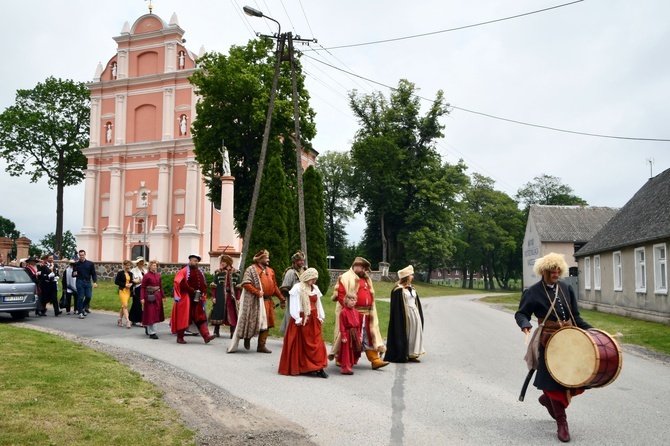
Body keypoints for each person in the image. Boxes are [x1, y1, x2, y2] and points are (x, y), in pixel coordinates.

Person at [515, 252, 593, 443]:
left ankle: (547, 400)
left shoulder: (566, 288)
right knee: (553, 383)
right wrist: (525, 324)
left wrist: (593, 331)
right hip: (547, 341)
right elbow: (521, 313)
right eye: (552, 270)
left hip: (568, 340)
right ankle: (562, 423)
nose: (556, 273)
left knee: (570, 379)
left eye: (558, 269)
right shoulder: (532, 292)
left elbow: (575, 316)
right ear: (544, 271)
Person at [329, 257, 388, 370]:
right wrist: (350, 311)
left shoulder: (366, 279)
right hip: (353, 314)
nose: (364, 271)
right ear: (356, 266)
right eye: (363, 268)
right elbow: (341, 295)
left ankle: (375, 360)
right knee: (352, 337)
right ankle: (343, 359)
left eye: (365, 269)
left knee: (369, 336)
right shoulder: (345, 277)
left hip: (367, 315)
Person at [227, 250, 285, 354]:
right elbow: (246, 283)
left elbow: (275, 286)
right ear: (260, 259)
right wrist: (257, 292)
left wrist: (281, 298)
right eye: (266, 258)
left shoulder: (270, 270)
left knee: (267, 323)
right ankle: (247, 338)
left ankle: (261, 346)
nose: (268, 259)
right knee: (252, 322)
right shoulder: (251, 269)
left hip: (268, 301)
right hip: (255, 301)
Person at [278, 268, 328, 378]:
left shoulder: (315, 288)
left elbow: (318, 303)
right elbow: (294, 303)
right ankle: (303, 367)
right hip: (301, 318)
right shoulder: (298, 288)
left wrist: (320, 316)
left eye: (315, 279)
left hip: (313, 319)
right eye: (313, 279)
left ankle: (319, 367)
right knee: (300, 345)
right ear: (308, 277)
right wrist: (297, 317)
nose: (314, 281)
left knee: (317, 343)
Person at [171, 254, 215, 344]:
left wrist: (203, 292)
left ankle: (206, 336)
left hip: (197, 299)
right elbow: (180, 283)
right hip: (186, 298)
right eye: (194, 260)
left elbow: (203, 283)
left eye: (197, 261)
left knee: (200, 317)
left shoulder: (200, 272)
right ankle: (180, 337)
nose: (196, 262)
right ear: (190, 261)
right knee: (184, 317)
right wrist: (191, 290)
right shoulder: (184, 271)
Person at [384, 265, 425, 363]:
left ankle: (412, 354)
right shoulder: (398, 290)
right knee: (406, 333)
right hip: (404, 315)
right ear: (406, 276)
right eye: (411, 275)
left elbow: (416, 302)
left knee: (414, 333)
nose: (412, 276)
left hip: (414, 313)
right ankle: (403, 353)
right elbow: (397, 307)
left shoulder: (412, 288)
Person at [209, 254, 240, 338]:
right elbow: (214, 286)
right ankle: (216, 331)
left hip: (231, 296)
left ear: (228, 262)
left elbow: (238, 287)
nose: (222, 263)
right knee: (218, 311)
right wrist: (213, 296)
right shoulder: (218, 272)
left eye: (223, 262)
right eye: (221, 262)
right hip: (220, 295)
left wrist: (238, 298)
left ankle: (232, 332)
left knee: (232, 312)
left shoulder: (236, 273)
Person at [279, 250, 306, 334]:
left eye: (303, 260)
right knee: (291, 315)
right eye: (300, 260)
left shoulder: (304, 271)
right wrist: (283, 300)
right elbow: (284, 289)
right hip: (293, 298)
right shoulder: (290, 272)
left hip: (303, 298)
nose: (302, 262)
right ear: (295, 261)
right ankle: (289, 334)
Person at [141, 260, 166, 340]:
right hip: (149, 296)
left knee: (156, 313)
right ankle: (152, 332)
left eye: (156, 266)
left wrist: (163, 296)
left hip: (157, 297)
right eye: (153, 265)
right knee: (151, 314)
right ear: (150, 266)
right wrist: (141, 298)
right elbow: (143, 287)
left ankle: (149, 329)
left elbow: (161, 286)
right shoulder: (146, 276)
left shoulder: (158, 275)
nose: (155, 267)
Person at [337, 294, 361, 375]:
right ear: (346, 300)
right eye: (351, 300)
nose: (353, 302)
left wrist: (359, 335)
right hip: (347, 333)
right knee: (346, 351)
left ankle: (351, 364)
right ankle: (345, 367)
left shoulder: (356, 311)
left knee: (354, 349)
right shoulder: (343, 312)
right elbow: (342, 325)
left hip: (355, 333)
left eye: (354, 300)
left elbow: (358, 325)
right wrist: (343, 336)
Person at [73, 249, 97, 319]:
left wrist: (95, 282)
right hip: (79, 281)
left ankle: (82, 308)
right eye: (80, 255)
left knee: (88, 296)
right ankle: (80, 312)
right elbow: (73, 274)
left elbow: (93, 274)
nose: (81, 256)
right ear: (79, 256)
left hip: (87, 282)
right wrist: (74, 273)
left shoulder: (90, 264)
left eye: (83, 255)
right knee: (81, 296)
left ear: (85, 255)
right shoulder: (76, 264)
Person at [114, 260, 134, 328]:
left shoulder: (130, 273)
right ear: (124, 265)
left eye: (129, 265)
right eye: (127, 265)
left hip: (128, 291)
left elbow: (132, 281)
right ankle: (127, 321)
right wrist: (124, 285)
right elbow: (116, 282)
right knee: (125, 305)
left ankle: (120, 319)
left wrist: (131, 284)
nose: (128, 267)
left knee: (123, 306)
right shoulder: (120, 273)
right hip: (122, 291)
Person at [129, 257, 147, 327]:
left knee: (139, 304)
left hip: (144, 288)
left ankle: (133, 319)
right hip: (137, 288)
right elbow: (131, 279)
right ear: (137, 263)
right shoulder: (133, 270)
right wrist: (136, 280)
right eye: (140, 262)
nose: (141, 263)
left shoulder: (145, 270)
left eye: (142, 262)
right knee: (137, 303)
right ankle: (141, 320)